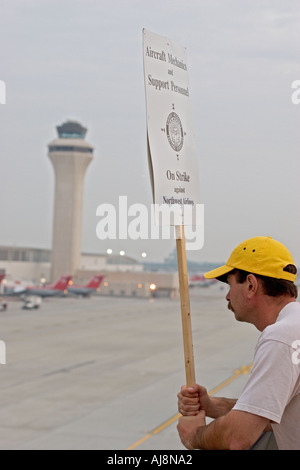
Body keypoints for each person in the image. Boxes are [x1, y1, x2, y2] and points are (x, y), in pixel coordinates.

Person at [177, 236, 300, 450]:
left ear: (251, 285)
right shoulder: (293, 328)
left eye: (230, 284)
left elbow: (239, 436)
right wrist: (212, 405)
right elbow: (269, 413)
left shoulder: (281, 338)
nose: (227, 296)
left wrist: (194, 435)